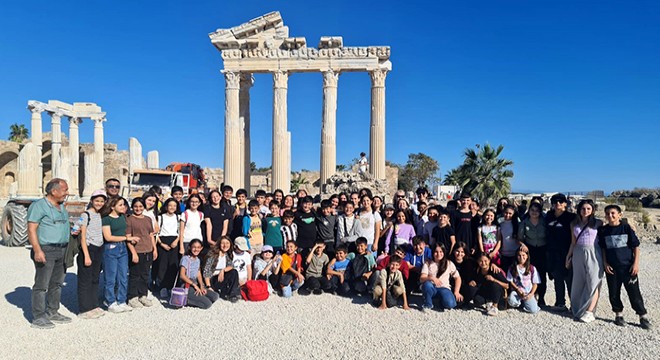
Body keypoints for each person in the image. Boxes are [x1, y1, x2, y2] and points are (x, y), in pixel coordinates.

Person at [27, 178, 73, 329]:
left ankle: (52, 311)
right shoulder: (38, 206)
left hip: (62, 249)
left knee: (57, 283)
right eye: (65, 190)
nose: (67, 193)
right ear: (54, 191)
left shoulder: (61, 206)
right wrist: (37, 250)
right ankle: (38, 317)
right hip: (46, 249)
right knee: (42, 285)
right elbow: (32, 229)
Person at [598, 205, 652, 329]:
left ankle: (642, 316)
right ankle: (618, 315)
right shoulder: (603, 231)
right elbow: (603, 249)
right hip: (612, 268)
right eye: (607, 214)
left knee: (634, 293)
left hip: (628, 267)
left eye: (613, 213)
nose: (610, 216)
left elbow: (636, 247)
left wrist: (636, 264)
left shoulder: (626, 228)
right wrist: (605, 263)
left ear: (619, 215)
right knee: (614, 292)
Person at [565, 199, 604, 322]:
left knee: (593, 281)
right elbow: (573, 242)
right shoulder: (573, 224)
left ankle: (590, 311)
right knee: (579, 282)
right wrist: (568, 256)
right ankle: (578, 308)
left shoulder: (598, 223)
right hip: (578, 252)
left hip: (593, 252)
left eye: (588, 208)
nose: (585, 211)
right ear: (579, 209)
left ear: (592, 210)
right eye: (583, 208)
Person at [101, 196, 139, 313]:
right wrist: (127, 238)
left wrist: (128, 239)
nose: (123, 207)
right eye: (120, 205)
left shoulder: (123, 217)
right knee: (110, 277)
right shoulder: (106, 219)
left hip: (122, 248)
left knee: (123, 276)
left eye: (124, 204)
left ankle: (121, 300)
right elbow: (108, 237)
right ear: (112, 206)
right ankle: (110, 301)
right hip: (111, 248)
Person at [77, 189, 107, 320]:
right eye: (97, 201)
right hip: (88, 249)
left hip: (99, 248)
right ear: (92, 201)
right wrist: (86, 255)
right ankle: (84, 308)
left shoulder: (101, 215)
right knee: (85, 280)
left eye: (101, 201)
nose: (99, 203)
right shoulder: (86, 215)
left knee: (95, 279)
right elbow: (83, 237)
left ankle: (93, 304)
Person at [546, 193, 576, 312]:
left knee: (569, 279)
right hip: (552, 253)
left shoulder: (571, 217)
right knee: (557, 278)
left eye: (560, 201)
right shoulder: (548, 216)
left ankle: (574, 304)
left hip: (567, 251)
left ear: (565, 203)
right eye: (555, 202)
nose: (557, 204)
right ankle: (560, 303)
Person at [125, 198, 157, 309]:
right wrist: (133, 253)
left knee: (145, 274)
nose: (138, 209)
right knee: (134, 275)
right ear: (132, 207)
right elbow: (128, 237)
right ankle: (132, 296)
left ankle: (142, 294)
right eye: (136, 206)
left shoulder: (148, 219)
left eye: (140, 206)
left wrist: (154, 249)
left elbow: (151, 235)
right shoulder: (130, 219)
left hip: (148, 250)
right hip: (137, 250)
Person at [518, 202, 548, 307]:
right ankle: (531, 295)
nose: (534, 213)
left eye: (537, 210)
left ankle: (542, 297)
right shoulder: (524, 223)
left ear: (540, 212)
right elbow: (520, 239)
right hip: (530, 251)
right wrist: (523, 245)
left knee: (542, 275)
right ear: (529, 211)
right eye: (532, 210)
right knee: (530, 274)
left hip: (543, 250)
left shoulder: (544, 222)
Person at [420, 244, 463, 311]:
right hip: (432, 287)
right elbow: (422, 278)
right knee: (427, 284)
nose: (438, 254)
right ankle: (428, 304)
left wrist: (456, 291)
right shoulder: (428, 263)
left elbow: (457, 278)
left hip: (444, 288)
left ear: (444, 252)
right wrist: (432, 278)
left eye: (441, 251)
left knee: (450, 304)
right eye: (436, 252)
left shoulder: (449, 263)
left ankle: (439, 301)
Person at [178, 239, 219, 309]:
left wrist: (201, 286)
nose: (196, 249)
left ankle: (199, 297)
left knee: (215, 296)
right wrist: (194, 285)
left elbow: (198, 273)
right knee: (207, 304)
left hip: (196, 283)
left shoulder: (198, 260)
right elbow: (182, 275)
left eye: (198, 247)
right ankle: (185, 300)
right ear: (190, 247)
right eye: (194, 247)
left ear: (201, 248)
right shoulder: (185, 259)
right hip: (187, 285)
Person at [203, 236, 241, 302]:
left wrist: (223, 270)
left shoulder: (226, 254)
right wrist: (208, 286)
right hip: (213, 279)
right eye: (223, 243)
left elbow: (231, 265)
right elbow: (206, 271)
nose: (225, 245)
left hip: (221, 277)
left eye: (227, 243)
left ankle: (233, 294)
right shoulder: (213, 254)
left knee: (234, 272)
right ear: (219, 244)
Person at [156, 199, 181, 298]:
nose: (172, 208)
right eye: (170, 205)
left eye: (174, 206)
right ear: (166, 206)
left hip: (174, 241)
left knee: (173, 265)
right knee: (162, 265)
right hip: (163, 241)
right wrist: (161, 244)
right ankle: (162, 287)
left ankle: (171, 286)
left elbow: (180, 231)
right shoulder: (160, 217)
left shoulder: (178, 217)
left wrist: (177, 240)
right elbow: (156, 233)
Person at [506, 247, 540, 314]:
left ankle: (528, 302)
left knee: (533, 310)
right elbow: (510, 281)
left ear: (527, 256)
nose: (521, 257)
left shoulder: (532, 268)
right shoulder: (512, 268)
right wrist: (517, 289)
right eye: (519, 255)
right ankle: (520, 303)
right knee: (511, 301)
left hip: (528, 292)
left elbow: (535, 283)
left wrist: (531, 294)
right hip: (517, 292)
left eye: (523, 255)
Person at [498, 205, 520, 272]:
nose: (507, 215)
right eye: (506, 212)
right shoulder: (500, 223)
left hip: (515, 254)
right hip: (504, 254)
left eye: (510, 213)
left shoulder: (517, 223)